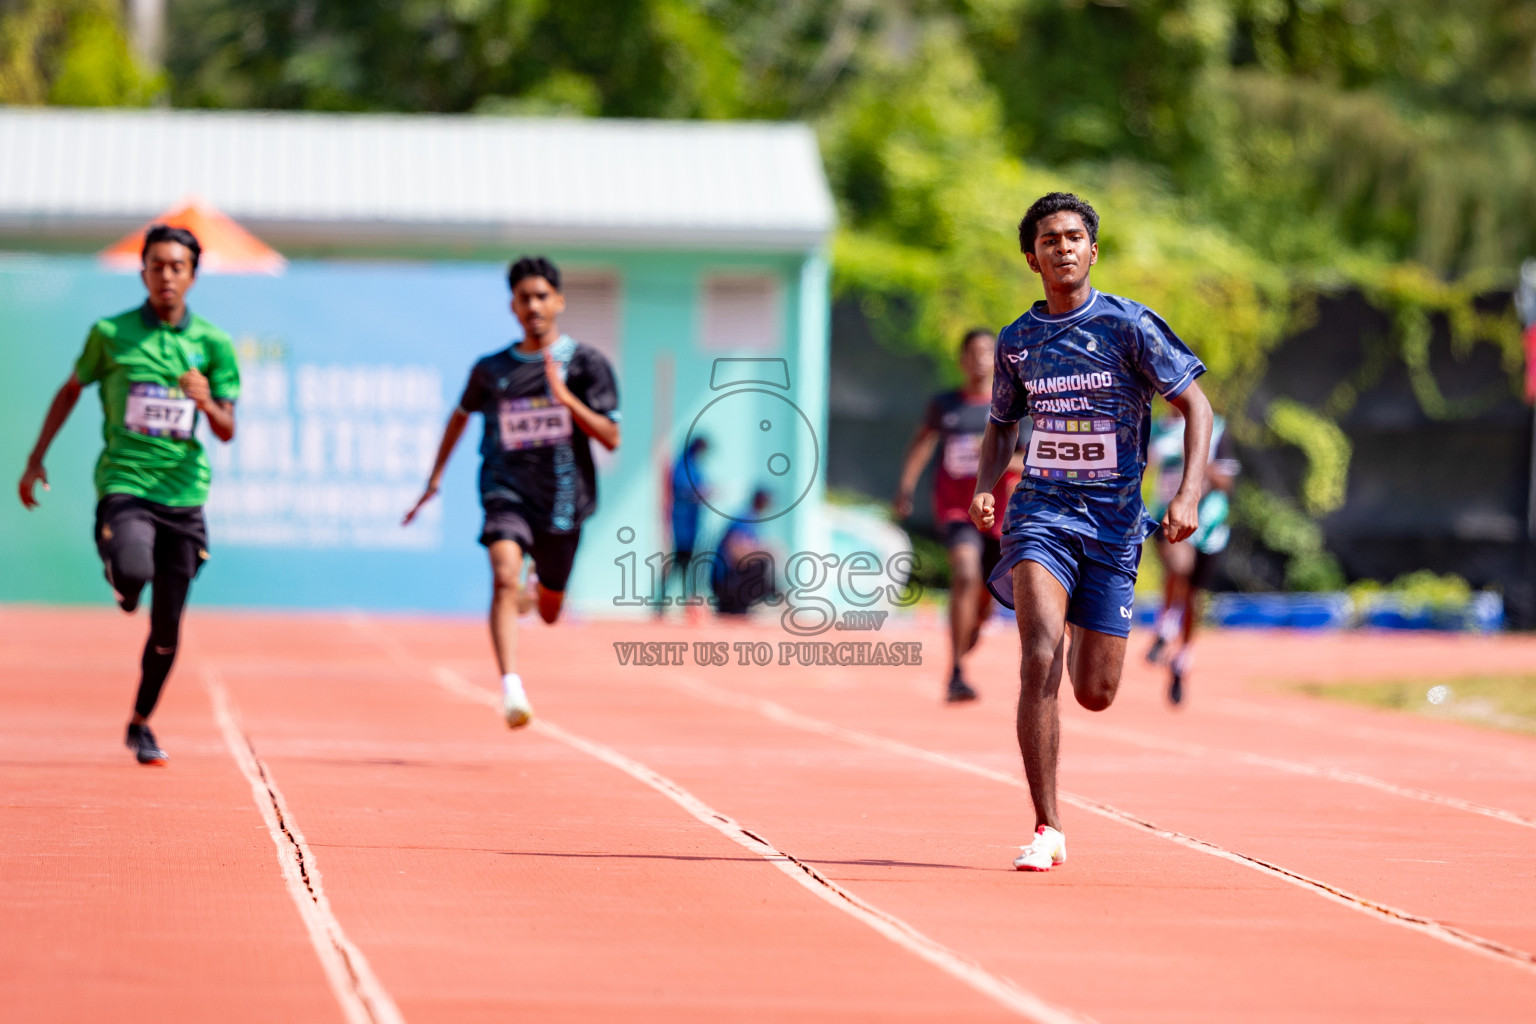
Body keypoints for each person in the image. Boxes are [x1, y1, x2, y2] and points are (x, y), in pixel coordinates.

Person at [970, 192, 1212, 871]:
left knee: (1095, 694)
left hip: (1112, 528)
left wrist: (1188, 492)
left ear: (1093, 250)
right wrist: (989, 486)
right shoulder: (1018, 340)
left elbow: (1197, 405)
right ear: (1032, 257)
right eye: (1050, 239)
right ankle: (1047, 827)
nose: (1064, 247)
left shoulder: (1130, 327)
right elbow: (1001, 425)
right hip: (1041, 516)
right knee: (1038, 651)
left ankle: (1081, 609)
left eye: (1075, 236)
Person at [17, 225, 240, 766]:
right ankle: (121, 573)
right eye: (157, 265)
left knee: (166, 629)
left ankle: (140, 722)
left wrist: (207, 402)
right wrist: (35, 458)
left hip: (184, 496)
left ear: (192, 275)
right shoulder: (110, 333)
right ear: (143, 271)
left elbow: (228, 428)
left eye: (177, 266)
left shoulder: (212, 344)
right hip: (125, 485)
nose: (166, 275)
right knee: (134, 568)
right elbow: (71, 390)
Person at [404, 256, 620, 728]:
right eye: (524, 298)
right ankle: (511, 689)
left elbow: (611, 436)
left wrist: (566, 400)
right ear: (512, 306)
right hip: (506, 489)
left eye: (542, 296)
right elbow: (459, 416)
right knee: (503, 574)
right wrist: (434, 478)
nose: (533, 305)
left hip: (564, 501)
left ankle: (533, 590)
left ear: (559, 301)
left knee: (548, 611)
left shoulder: (586, 364)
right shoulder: (491, 370)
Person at [895, 329, 1023, 703]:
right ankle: (955, 671)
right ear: (962, 360)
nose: (981, 358)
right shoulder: (945, 405)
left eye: (988, 351)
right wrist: (905, 486)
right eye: (973, 352)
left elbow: (1030, 459)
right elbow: (922, 442)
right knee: (965, 572)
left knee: (986, 599)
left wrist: (995, 453)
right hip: (956, 508)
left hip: (999, 516)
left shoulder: (1014, 402)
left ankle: (970, 632)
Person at [1145, 410, 1239, 704]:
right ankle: (1166, 626)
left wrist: (1197, 457)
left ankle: (1182, 659)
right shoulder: (1156, 429)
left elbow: (1227, 482)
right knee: (1178, 566)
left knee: (1193, 597)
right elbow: (1139, 467)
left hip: (1209, 524)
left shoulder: (1215, 427)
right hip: (1168, 516)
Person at [662, 435, 709, 615]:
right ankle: (668, 603)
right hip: (682, 527)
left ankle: (684, 604)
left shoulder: (695, 466)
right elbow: (684, 491)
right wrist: (702, 493)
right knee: (679, 565)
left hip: (692, 526)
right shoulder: (683, 465)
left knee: (685, 567)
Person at [711, 488, 776, 616]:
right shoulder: (745, 519)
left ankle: (753, 601)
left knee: (764, 559)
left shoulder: (752, 520)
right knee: (762, 561)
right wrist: (764, 550)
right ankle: (742, 601)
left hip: (729, 580)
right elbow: (736, 553)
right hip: (724, 580)